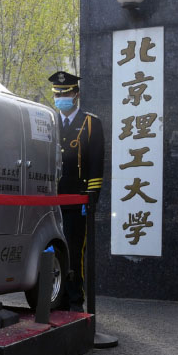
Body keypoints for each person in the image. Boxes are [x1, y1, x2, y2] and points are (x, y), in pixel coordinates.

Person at [48, 71, 104, 312]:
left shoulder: (91, 123)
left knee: (74, 250)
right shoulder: (48, 120)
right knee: (49, 248)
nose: (61, 97)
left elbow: (96, 164)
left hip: (77, 199)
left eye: (66, 93)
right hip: (49, 199)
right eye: (57, 94)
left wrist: (91, 198)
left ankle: (74, 299)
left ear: (76, 94)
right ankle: (53, 297)